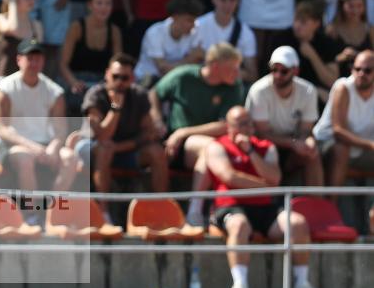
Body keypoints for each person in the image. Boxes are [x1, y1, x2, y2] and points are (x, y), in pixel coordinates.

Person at [206, 106, 323, 288]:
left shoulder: (265, 147)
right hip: (231, 206)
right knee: (239, 225)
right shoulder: (216, 146)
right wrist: (265, 185)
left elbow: (275, 177)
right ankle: (240, 285)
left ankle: (301, 285)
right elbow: (229, 176)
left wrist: (250, 151)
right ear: (229, 127)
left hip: (265, 208)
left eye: (249, 123)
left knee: (298, 223)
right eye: (241, 124)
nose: (247, 127)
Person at [149, 43, 245, 226]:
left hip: (209, 148)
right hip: (174, 146)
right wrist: (158, 120)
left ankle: (195, 210)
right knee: (213, 149)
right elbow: (154, 93)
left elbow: (226, 125)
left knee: (211, 148)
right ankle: (194, 211)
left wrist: (184, 132)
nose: (237, 73)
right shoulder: (184, 75)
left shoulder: (234, 87)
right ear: (215, 66)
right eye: (232, 68)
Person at [77, 53, 168, 222]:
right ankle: (104, 214)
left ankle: (160, 209)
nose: (119, 82)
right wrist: (116, 108)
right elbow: (102, 135)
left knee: (156, 152)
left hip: (125, 150)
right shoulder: (95, 94)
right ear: (107, 74)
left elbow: (150, 133)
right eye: (115, 76)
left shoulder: (139, 95)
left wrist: (120, 147)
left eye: (124, 77)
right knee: (105, 150)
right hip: (91, 148)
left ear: (132, 78)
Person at [0, 39, 78, 194]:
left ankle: (52, 208)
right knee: (25, 159)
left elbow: (60, 129)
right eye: (29, 58)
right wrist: (33, 147)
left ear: (43, 61)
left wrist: (54, 147)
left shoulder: (54, 92)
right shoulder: (3, 90)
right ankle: (31, 212)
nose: (34, 63)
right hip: (13, 146)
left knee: (70, 158)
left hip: (45, 146)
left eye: (38, 59)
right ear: (19, 60)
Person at [245, 46, 323, 186]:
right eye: (274, 70)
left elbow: (305, 130)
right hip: (263, 149)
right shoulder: (259, 90)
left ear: (296, 71)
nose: (277, 75)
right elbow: (262, 134)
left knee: (312, 154)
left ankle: (317, 205)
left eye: (284, 71)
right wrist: (293, 143)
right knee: (272, 151)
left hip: (291, 147)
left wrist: (307, 142)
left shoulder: (308, 91)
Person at [313, 50, 374, 188]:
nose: (361, 74)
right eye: (357, 69)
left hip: (360, 149)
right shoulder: (343, 88)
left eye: (367, 70)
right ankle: (332, 206)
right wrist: (370, 145)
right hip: (326, 145)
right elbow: (338, 131)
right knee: (342, 149)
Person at [59, 0, 123, 111]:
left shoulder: (115, 31)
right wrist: (74, 83)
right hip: (77, 82)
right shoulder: (76, 27)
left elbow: (116, 66)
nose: (104, 8)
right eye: (99, 3)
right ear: (89, 5)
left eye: (108, 4)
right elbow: (63, 64)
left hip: (101, 83)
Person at [271, 0, 340, 106]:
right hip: (286, 91)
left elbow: (331, 81)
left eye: (303, 22)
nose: (297, 25)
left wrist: (313, 56)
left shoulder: (326, 43)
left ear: (316, 24)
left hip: (318, 97)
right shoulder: (281, 40)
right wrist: (312, 89)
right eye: (296, 20)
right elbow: (275, 74)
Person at [195, 0, 259, 84]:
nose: (228, 4)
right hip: (202, 83)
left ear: (238, 1)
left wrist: (226, 71)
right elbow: (190, 60)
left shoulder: (246, 33)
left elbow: (252, 74)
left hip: (229, 85)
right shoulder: (198, 26)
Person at [134, 0, 204, 86]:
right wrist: (189, 60)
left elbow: (200, 57)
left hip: (174, 82)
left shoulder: (195, 31)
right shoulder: (154, 33)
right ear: (175, 17)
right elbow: (163, 69)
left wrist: (176, 65)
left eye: (194, 20)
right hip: (145, 82)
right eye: (189, 20)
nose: (193, 25)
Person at [0, 0, 43, 78]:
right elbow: (13, 29)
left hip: (28, 81)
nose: (32, 0)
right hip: (4, 81)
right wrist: (12, 2)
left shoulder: (36, 25)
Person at [325, 0, 374, 77]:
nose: (355, 11)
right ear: (342, 5)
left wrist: (359, 56)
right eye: (351, 6)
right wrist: (340, 58)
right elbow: (325, 61)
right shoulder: (331, 30)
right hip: (339, 80)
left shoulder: (370, 29)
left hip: (366, 82)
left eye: (359, 6)